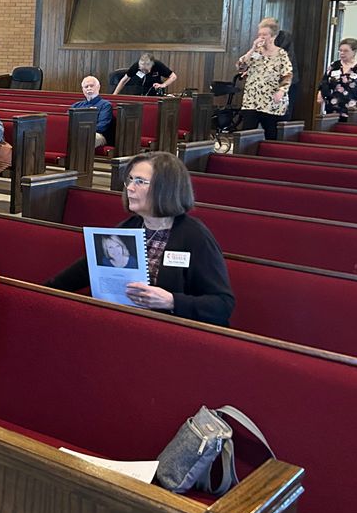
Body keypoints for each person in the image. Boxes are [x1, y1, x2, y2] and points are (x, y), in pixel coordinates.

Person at [45, 152, 234, 326]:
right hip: (128, 323)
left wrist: (171, 301)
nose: (130, 188)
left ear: (166, 188)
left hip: (173, 331)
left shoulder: (195, 236)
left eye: (140, 181)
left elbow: (222, 305)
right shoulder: (129, 227)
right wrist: (41, 294)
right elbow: (82, 271)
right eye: (130, 180)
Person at [235, 18, 293, 140]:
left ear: (273, 37)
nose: (261, 37)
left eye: (264, 35)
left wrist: (281, 91)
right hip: (252, 101)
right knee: (246, 136)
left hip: (271, 103)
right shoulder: (255, 53)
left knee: (271, 136)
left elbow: (287, 75)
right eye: (259, 34)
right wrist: (252, 49)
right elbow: (240, 66)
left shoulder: (281, 54)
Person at [317, 37, 357, 121]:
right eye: (340, 50)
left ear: (354, 52)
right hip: (333, 108)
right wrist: (320, 94)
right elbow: (324, 82)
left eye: (346, 51)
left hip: (353, 109)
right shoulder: (334, 65)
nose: (342, 53)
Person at [70, 76, 113, 148]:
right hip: (76, 132)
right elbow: (67, 122)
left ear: (98, 87)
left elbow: (102, 126)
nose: (89, 88)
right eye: (86, 87)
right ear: (83, 90)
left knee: (83, 138)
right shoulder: (76, 105)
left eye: (92, 86)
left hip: (97, 134)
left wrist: (82, 131)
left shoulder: (105, 105)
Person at [112, 54, 178, 96]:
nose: (143, 72)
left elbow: (173, 76)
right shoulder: (136, 66)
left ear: (152, 65)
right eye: (141, 70)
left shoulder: (158, 65)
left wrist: (163, 85)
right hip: (138, 92)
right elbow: (124, 80)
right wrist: (114, 94)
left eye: (146, 70)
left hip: (154, 94)